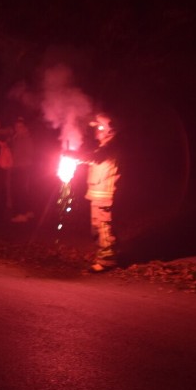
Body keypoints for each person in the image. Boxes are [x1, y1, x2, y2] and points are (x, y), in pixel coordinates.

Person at [84, 112, 120, 272]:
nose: (97, 131)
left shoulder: (111, 146)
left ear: (110, 131)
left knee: (104, 227)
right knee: (96, 228)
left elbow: (96, 158)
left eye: (100, 127)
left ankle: (107, 261)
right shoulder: (103, 145)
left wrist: (75, 156)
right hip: (97, 194)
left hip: (106, 195)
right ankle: (101, 255)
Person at [9, 117, 36, 222]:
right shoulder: (17, 138)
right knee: (22, 191)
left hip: (22, 168)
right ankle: (26, 212)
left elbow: (29, 153)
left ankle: (20, 214)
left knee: (19, 191)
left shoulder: (25, 138)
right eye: (16, 126)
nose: (17, 128)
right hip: (19, 167)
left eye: (20, 126)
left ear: (25, 128)